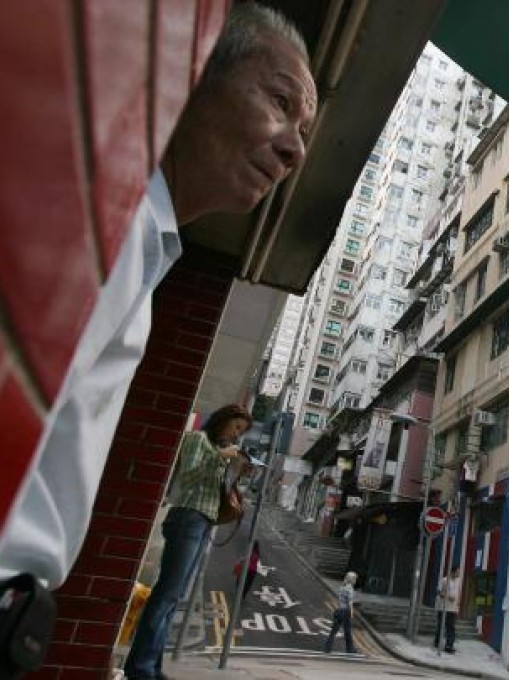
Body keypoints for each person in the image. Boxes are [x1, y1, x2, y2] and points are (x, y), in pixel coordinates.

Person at [0, 2, 316, 591]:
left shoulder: (147, 244)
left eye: (304, 132)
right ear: (194, 71)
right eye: (281, 102)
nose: (295, 150)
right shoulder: (97, 217)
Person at [124, 404, 252, 680]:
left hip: (204, 522)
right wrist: (219, 457)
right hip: (187, 517)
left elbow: (214, 487)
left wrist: (236, 472)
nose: (236, 435)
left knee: (175, 598)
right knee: (166, 594)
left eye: (241, 432)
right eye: (236, 427)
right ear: (223, 420)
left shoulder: (218, 451)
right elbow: (189, 475)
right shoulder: (198, 440)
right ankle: (139, 668)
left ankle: (152, 666)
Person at [324, 571, 358, 655]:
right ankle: (350, 649)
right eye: (355, 579)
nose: (355, 580)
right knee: (347, 631)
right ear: (353, 580)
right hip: (346, 611)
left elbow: (339, 600)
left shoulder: (342, 587)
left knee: (333, 631)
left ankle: (327, 648)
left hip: (339, 610)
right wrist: (351, 613)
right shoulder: (350, 589)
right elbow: (350, 603)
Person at [434, 566, 462, 653]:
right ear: (453, 572)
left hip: (453, 609)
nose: (459, 573)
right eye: (457, 572)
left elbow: (458, 593)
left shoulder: (458, 581)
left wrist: (458, 605)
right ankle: (437, 641)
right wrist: (448, 597)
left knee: (451, 628)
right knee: (441, 626)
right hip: (443, 608)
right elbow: (438, 592)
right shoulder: (445, 580)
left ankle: (449, 646)